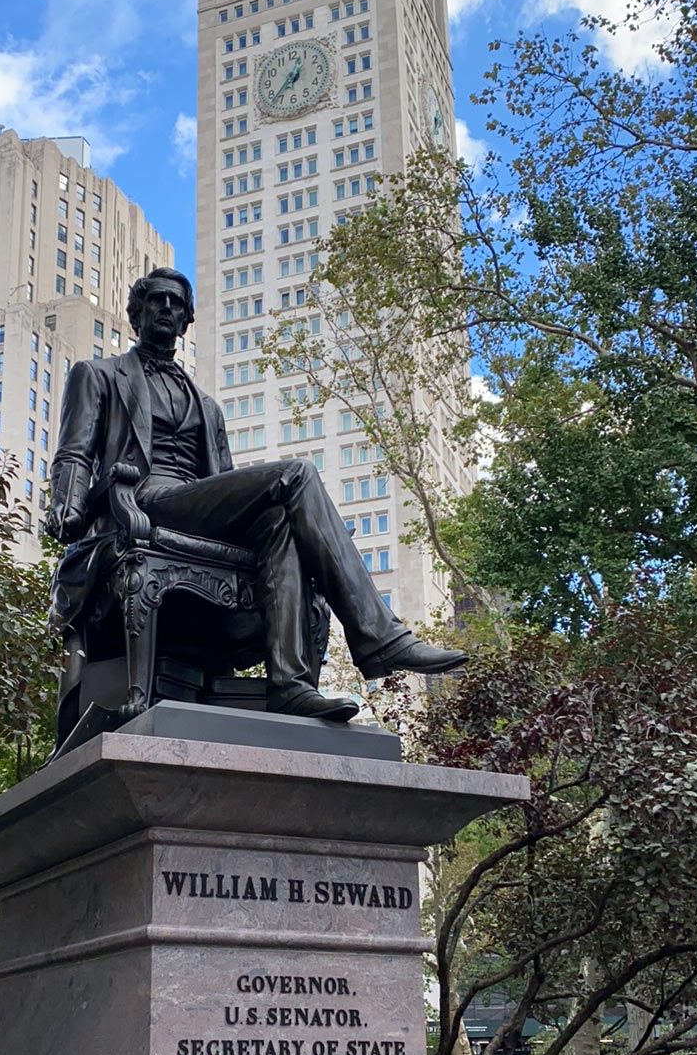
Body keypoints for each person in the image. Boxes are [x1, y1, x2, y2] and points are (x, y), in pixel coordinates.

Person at [47, 268, 466, 723]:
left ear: (187, 319)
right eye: (157, 301)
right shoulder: (98, 375)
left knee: (280, 526)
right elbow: (74, 451)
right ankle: (379, 635)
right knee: (298, 473)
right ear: (137, 312)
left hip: (196, 504)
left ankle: (290, 685)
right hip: (143, 500)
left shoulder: (207, 406)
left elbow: (222, 481)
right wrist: (66, 510)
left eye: (176, 304)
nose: (166, 309)